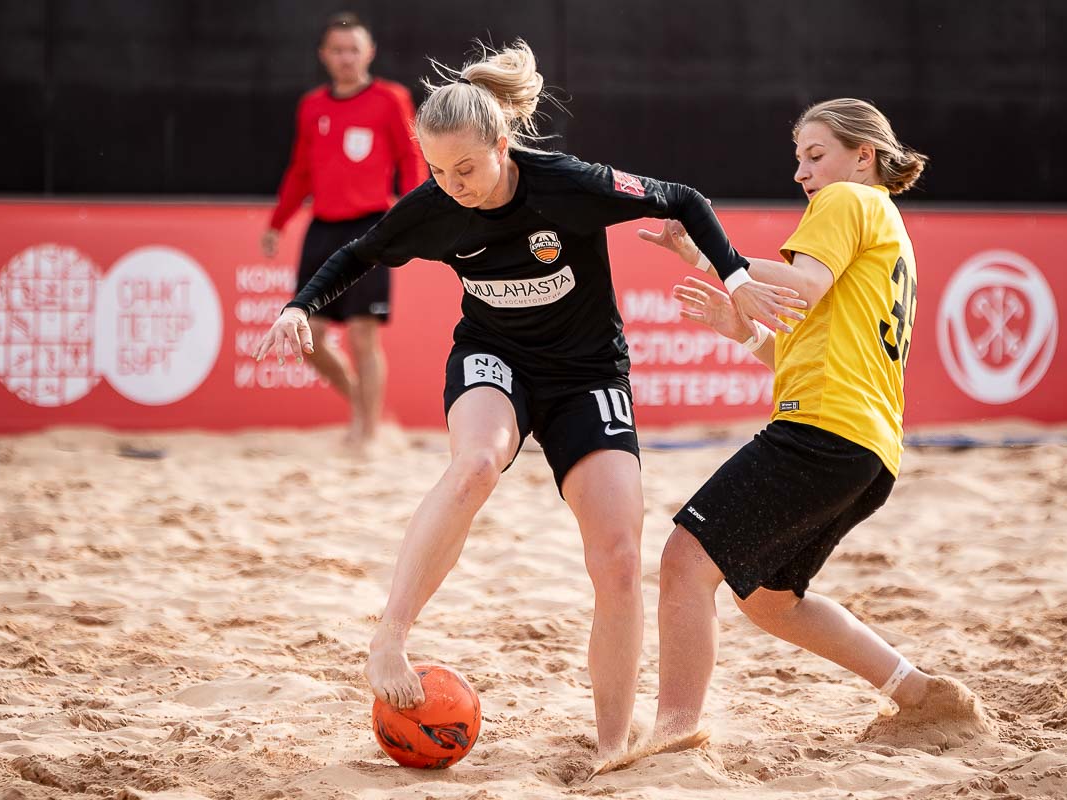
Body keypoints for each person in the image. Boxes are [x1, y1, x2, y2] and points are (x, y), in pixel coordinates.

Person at [252, 40, 803, 764]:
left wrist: (736, 279)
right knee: (476, 464)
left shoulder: (566, 183)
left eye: (466, 168)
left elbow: (683, 199)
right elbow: (357, 253)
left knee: (618, 556)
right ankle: (389, 637)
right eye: (437, 171)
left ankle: (611, 747)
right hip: (495, 357)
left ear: (502, 145)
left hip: (587, 374)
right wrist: (299, 305)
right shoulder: (436, 209)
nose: (453, 185)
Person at [627, 98, 994, 764]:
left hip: (823, 433)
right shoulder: (886, 226)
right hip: (868, 450)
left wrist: (713, 254)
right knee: (772, 602)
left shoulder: (848, 201)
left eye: (816, 155)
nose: (801, 172)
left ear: (864, 156)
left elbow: (804, 284)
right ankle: (921, 695)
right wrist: (740, 328)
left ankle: (674, 734)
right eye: (798, 158)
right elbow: (806, 349)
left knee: (684, 561)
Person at [262, 12, 427, 452]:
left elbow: (411, 159)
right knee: (308, 335)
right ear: (323, 55)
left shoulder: (390, 98)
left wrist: (415, 214)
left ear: (369, 52)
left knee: (361, 333)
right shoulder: (312, 104)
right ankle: (362, 405)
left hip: (370, 226)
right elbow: (300, 170)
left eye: (353, 49)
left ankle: (368, 436)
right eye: (337, 50)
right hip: (322, 226)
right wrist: (278, 222)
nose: (346, 58)